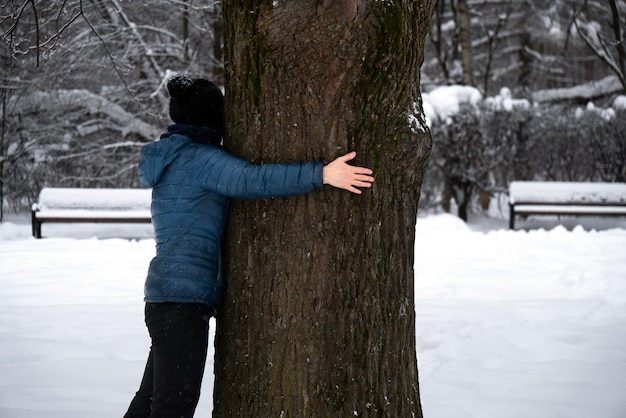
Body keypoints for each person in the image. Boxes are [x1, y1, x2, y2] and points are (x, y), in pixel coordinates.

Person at [124, 74, 374, 418]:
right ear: (212, 116)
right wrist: (322, 174)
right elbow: (252, 179)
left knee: (152, 401)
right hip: (182, 301)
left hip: (167, 297)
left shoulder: (172, 157)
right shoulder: (198, 159)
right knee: (172, 406)